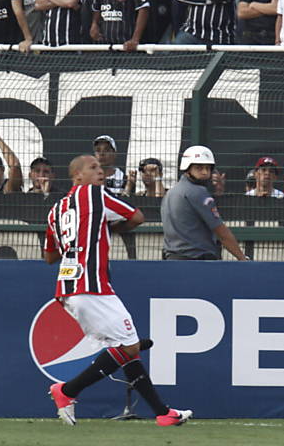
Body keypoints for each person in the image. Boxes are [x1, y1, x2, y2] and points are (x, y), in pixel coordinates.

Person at [44, 154, 192, 428]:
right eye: (93, 167)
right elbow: (137, 217)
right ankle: (66, 391)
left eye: (100, 167)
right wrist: (109, 227)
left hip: (69, 287)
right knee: (130, 346)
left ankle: (162, 412)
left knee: (127, 348)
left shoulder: (56, 210)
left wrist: (90, 233)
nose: (100, 172)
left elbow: (50, 256)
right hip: (91, 285)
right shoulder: (95, 195)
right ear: (77, 176)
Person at [160, 145, 248, 260]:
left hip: (172, 259)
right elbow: (221, 232)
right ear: (187, 168)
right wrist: (242, 258)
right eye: (199, 168)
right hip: (198, 262)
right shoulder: (198, 192)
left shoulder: (170, 193)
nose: (205, 172)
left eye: (208, 168)